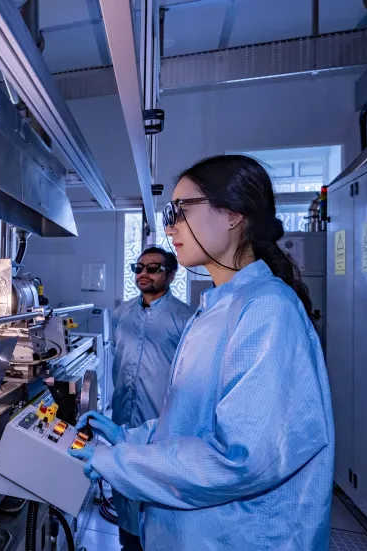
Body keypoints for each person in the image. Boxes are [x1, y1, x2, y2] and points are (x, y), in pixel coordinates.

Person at [70, 155, 334, 551]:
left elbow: (238, 459)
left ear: (231, 214)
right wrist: (128, 437)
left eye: (181, 209)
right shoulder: (218, 307)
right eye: (169, 212)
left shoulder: (266, 308)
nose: (170, 224)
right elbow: (191, 424)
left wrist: (115, 461)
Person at [110, 246, 194, 551]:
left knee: (154, 492)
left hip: (160, 422)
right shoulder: (121, 313)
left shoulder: (185, 317)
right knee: (125, 488)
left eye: (153, 268)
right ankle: (127, 544)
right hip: (122, 419)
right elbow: (116, 364)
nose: (143, 274)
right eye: (139, 267)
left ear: (171, 274)